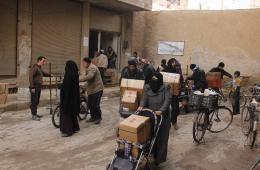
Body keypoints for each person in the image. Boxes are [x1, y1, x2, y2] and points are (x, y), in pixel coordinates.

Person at [138, 72, 171, 165]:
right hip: (151, 114)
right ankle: (149, 155)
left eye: (156, 82)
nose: (154, 84)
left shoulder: (166, 87)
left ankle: (159, 159)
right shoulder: (147, 87)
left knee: (161, 137)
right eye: (152, 82)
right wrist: (141, 106)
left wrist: (161, 110)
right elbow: (144, 98)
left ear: (160, 82)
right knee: (150, 136)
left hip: (163, 116)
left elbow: (167, 100)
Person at [80, 57, 104, 124]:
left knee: (96, 105)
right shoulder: (88, 69)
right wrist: (84, 86)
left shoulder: (93, 67)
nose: (83, 64)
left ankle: (98, 118)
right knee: (90, 104)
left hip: (97, 89)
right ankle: (93, 117)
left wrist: (80, 79)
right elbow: (89, 81)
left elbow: (90, 76)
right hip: (91, 89)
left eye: (83, 63)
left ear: (87, 62)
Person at [60, 60, 80, 137]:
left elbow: (67, 89)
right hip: (74, 98)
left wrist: (64, 100)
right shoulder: (75, 75)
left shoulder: (68, 76)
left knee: (66, 114)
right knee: (72, 113)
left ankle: (67, 131)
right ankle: (75, 128)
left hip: (68, 99)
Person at [29, 56, 51, 121]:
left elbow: (44, 73)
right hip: (34, 87)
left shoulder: (39, 68)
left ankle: (35, 113)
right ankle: (33, 115)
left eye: (44, 61)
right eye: (43, 61)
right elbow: (30, 77)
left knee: (36, 101)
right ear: (39, 60)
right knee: (34, 101)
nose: (44, 63)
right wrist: (32, 87)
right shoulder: (35, 68)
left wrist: (50, 75)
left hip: (38, 87)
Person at [163, 58, 183, 129]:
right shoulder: (165, 70)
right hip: (166, 93)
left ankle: (173, 121)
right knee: (165, 109)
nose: (175, 64)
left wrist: (181, 83)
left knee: (176, 109)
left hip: (175, 93)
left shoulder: (177, 69)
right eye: (174, 62)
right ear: (171, 63)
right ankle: (167, 123)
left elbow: (181, 79)